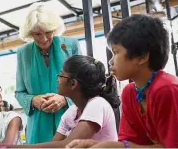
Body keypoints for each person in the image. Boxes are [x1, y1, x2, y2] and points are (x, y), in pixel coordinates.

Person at [66, 15, 178, 148]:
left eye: (116, 52)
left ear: (142, 56)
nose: (111, 61)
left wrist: (116, 147)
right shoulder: (130, 92)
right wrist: (95, 144)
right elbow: (131, 144)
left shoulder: (166, 89)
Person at [0, 55, 120, 148]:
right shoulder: (72, 112)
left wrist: (4, 146)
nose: (57, 79)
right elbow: (53, 145)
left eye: (61, 74)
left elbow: (67, 145)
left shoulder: (97, 104)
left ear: (73, 84)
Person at [15, 2, 81, 144]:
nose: (44, 39)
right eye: (37, 34)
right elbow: (19, 92)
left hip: (70, 120)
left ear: (55, 28)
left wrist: (64, 100)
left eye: (48, 32)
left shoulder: (71, 46)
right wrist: (34, 100)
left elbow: (85, 84)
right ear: (30, 33)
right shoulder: (23, 53)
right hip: (38, 125)